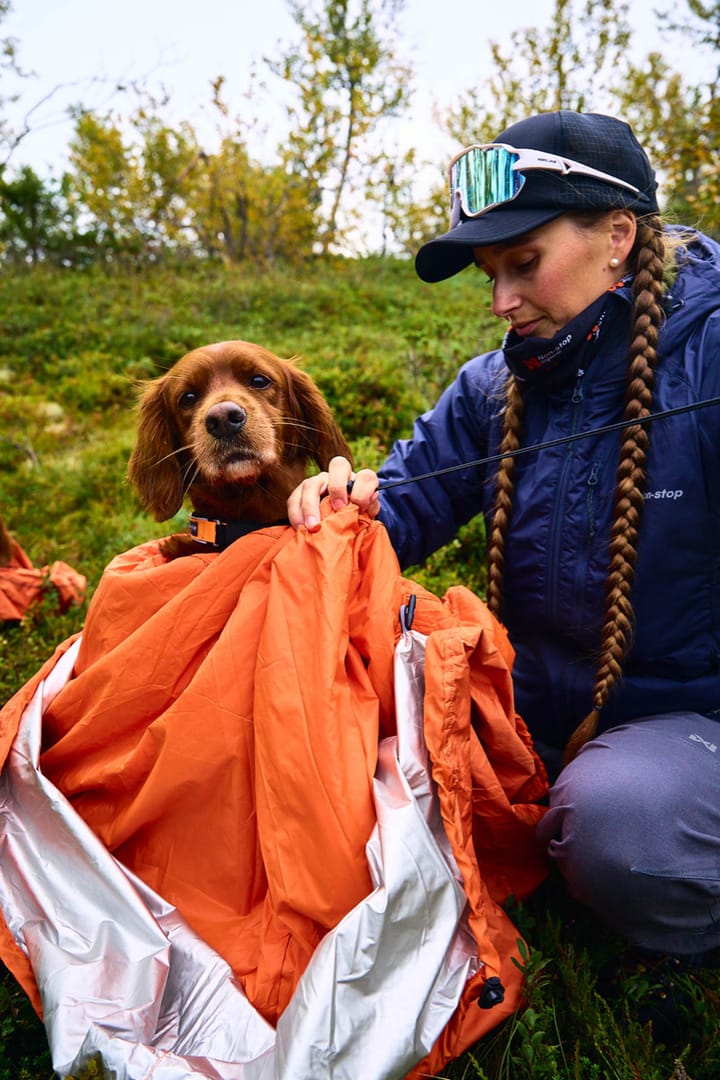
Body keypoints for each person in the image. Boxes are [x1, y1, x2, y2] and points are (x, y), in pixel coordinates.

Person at [287, 110, 720, 966]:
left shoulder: (708, 362)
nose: (500, 302)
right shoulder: (492, 387)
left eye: (525, 264)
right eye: (489, 274)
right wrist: (336, 506)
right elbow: (399, 512)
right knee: (357, 757)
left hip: (689, 717)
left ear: (619, 237)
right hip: (533, 716)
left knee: (614, 827)